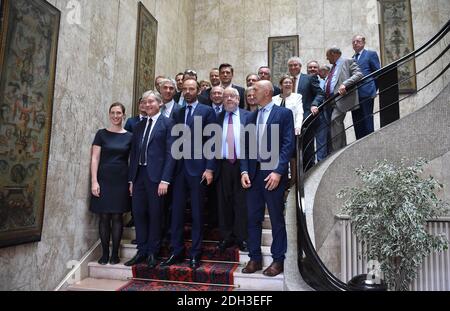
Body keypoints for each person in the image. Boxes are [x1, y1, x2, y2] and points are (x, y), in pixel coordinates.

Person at [160, 78, 217, 269]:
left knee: (197, 213)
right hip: (178, 170)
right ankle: (176, 250)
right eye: (185, 89)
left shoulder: (206, 111)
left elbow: (212, 141)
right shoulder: (178, 112)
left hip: (198, 170)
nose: (188, 92)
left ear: (198, 91)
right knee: (176, 212)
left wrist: (209, 168)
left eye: (191, 89)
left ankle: (195, 253)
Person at [240, 80, 295, 277]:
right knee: (252, 218)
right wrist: (244, 171)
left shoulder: (284, 114)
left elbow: (288, 144)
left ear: (267, 92)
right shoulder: (250, 117)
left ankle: (278, 260)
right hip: (253, 176)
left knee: (276, 218)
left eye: (255, 89)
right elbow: (245, 148)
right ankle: (254, 258)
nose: (251, 92)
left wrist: (279, 171)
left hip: (273, 175)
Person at [124, 91, 176, 268]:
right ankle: (142, 250)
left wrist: (165, 180)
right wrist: (131, 180)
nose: (147, 105)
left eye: (151, 101)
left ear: (160, 103)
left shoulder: (168, 123)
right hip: (139, 176)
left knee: (155, 214)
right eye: (144, 102)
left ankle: (153, 251)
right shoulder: (138, 126)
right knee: (138, 214)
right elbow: (134, 154)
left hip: (157, 178)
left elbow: (171, 154)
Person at [90, 103, 133, 265]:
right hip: (103, 178)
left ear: (124, 115)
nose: (116, 116)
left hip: (121, 179)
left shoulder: (130, 136)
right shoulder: (101, 134)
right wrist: (94, 181)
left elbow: (132, 160)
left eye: (119, 113)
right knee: (104, 216)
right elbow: (95, 158)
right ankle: (104, 253)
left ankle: (115, 253)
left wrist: (131, 182)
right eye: (113, 113)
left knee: (117, 216)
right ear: (109, 114)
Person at [216, 88, 249, 252]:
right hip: (222, 165)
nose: (229, 99)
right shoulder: (217, 117)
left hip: (242, 165)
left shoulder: (248, 116)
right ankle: (226, 237)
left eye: (232, 96)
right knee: (224, 203)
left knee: (241, 202)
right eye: (226, 96)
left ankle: (242, 237)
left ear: (238, 99)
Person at [287, 57, 324, 171]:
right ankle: (294, 177)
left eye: (296, 65)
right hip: (289, 120)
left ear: (300, 66)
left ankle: (308, 175)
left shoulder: (309, 78)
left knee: (307, 149)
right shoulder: (286, 80)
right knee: (292, 151)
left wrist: (314, 104)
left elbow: (320, 93)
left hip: (306, 119)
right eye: (291, 65)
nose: (293, 67)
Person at [325, 46, 363, 152]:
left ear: (333, 54)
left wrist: (345, 84)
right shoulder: (333, 67)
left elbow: (359, 74)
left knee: (335, 120)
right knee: (336, 124)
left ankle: (337, 150)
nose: (327, 59)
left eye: (328, 56)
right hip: (331, 100)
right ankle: (341, 147)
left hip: (342, 98)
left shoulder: (348, 61)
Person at [351, 34, 381, 140]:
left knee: (367, 119)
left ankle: (370, 142)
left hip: (366, 93)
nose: (355, 43)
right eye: (353, 42)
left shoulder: (370, 54)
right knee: (357, 122)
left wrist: (372, 89)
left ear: (363, 43)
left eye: (358, 41)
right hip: (354, 96)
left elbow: (378, 73)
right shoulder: (352, 59)